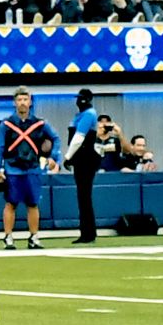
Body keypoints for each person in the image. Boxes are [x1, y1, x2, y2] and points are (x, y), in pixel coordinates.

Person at [0, 87, 60, 250]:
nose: (22, 103)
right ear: (15, 103)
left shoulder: (40, 123)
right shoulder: (6, 124)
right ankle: (8, 237)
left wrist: (53, 157)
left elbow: (56, 138)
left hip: (33, 168)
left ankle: (34, 237)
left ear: (30, 102)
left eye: (25, 99)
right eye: (19, 100)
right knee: (10, 203)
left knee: (33, 204)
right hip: (12, 169)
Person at [63, 88, 100, 244]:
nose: (80, 101)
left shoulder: (89, 114)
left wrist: (67, 156)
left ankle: (88, 233)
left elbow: (79, 138)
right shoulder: (80, 116)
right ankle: (87, 232)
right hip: (81, 158)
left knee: (84, 196)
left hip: (86, 158)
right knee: (82, 196)